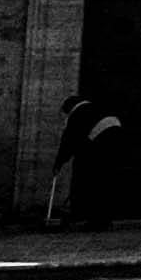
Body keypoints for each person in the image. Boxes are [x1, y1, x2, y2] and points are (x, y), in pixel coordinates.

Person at [49, 94, 124, 229]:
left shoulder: (77, 113)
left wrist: (59, 162)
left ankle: (91, 218)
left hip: (99, 144)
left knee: (91, 180)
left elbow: (68, 141)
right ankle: (103, 218)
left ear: (69, 107)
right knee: (105, 182)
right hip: (116, 140)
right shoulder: (94, 108)